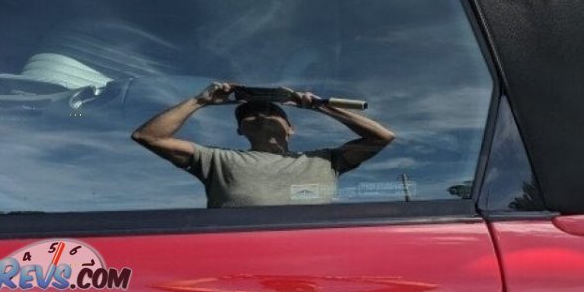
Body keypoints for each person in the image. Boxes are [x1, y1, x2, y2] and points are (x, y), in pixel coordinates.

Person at [131, 82, 395, 208]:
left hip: (314, 271)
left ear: (291, 129)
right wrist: (200, 101)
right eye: (249, 113)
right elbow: (150, 137)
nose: (261, 115)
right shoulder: (218, 160)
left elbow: (381, 137)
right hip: (242, 275)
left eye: (273, 111)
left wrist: (321, 106)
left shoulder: (324, 160)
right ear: (239, 130)